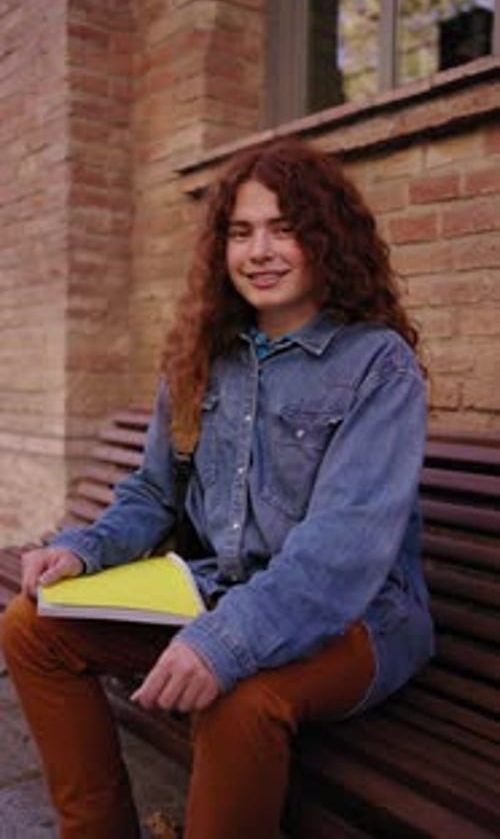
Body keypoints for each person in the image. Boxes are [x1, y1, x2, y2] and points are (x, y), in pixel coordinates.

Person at [1, 137, 434, 839]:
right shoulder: (204, 358)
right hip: (218, 593)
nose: (259, 250)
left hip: (359, 619)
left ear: (328, 238)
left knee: (241, 695)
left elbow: (344, 548)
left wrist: (224, 641)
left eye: (284, 228)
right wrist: (80, 551)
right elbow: (151, 493)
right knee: (31, 628)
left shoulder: (376, 365)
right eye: (241, 232)